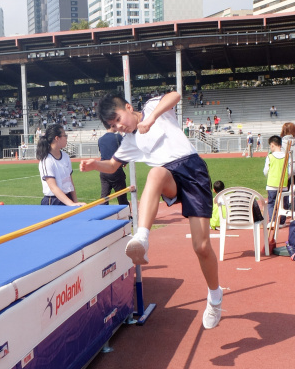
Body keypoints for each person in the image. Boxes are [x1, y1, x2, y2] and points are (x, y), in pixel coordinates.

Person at [80, 92, 223, 330]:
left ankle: (215, 297)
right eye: (113, 126)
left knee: (201, 247)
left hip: (193, 170)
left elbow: (175, 95)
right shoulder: (130, 141)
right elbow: (113, 165)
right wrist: (95, 164)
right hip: (168, 176)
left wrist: (151, 118)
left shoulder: (152, 107)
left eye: (118, 119)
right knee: (155, 172)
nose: (118, 127)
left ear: (128, 107)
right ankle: (142, 238)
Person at [37, 124, 80, 206]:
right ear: (57, 138)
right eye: (65, 136)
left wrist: (75, 202)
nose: (66, 138)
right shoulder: (46, 160)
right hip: (53, 202)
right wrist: (71, 204)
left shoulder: (66, 156)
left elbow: (70, 182)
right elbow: (53, 187)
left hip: (67, 198)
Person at [97, 130, 129, 205]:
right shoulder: (118, 137)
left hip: (103, 170)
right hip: (115, 170)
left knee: (104, 198)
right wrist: (124, 163)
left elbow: (102, 152)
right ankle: (125, 212)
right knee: (122, 198)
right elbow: (124, 151)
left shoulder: (100, 139)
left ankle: (102, 211)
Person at [263, 135, 287, 224]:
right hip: (283, 184)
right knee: (283, 204)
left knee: (272, 203)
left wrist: (269, 176)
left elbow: (266, 171)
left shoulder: (270, 157)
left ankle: (272, 221)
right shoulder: (287, 156)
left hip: (271, 184)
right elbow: (289, 171)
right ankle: (282, 221)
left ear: (272, 145)